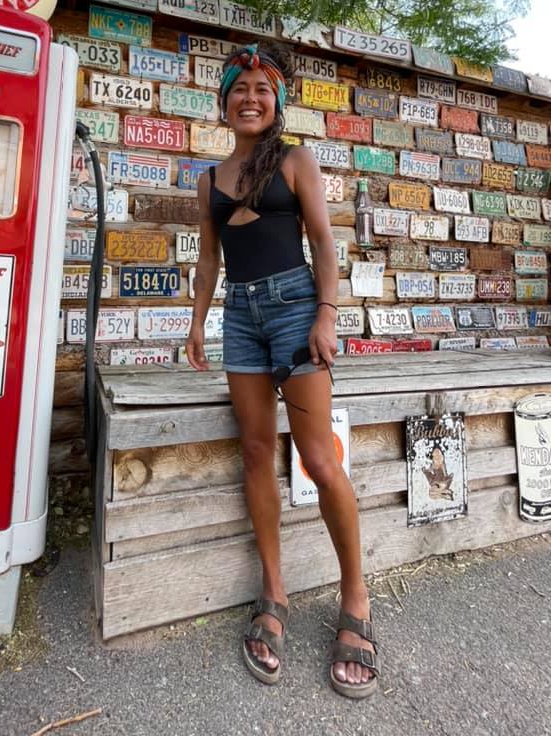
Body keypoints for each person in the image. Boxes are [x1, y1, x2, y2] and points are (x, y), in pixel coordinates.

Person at [185, 43, 379, 698]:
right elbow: (209, 259)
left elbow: (322, 241)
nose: (251, 99)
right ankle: (274, 593)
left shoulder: (296, 160)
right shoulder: (210, 180)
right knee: (255, 449)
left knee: (319, 458)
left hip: (297, 310)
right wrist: (196, 322)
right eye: (240, 90)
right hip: (240, 317)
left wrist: (327, 314)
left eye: (262, 90)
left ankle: (356, 597)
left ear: (277, 103)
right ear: (224, 103)